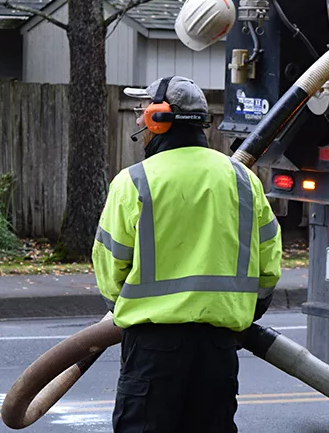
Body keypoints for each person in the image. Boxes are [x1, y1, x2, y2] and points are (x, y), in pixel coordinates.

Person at [92, 75, 283, 433]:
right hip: (218, 350)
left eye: (142, 111)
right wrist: (240, 314)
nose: (137, 120)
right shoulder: (243, 179)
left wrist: (130, 309)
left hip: (152, 352)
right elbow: (269, 266)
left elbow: (110, 270)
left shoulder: (133, 181)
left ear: (159, 119)